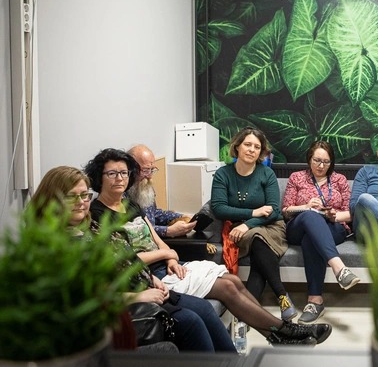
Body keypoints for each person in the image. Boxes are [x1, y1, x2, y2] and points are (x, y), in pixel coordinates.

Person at [84, 148, 330, 346]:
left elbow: (153, 236)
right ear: (98, 177)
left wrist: (171, 257)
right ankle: (284, 331)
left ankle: (278, 334)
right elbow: (126, 259)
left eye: (124, 173)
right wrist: (167, 252)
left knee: (233, 281)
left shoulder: (130, 204)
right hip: (149, 275)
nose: (120, 178)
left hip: (167, 266)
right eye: (112, 173)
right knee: (228, 287)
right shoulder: (97, 215)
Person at [30, 165, 234, 352]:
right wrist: (139, 296)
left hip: (144, 285)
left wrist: (151, 277)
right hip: (120, 307)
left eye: (84, 195)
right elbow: (85, 298)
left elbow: (128, 257)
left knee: (205, 308)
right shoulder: (55, 244)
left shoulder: (92, 226)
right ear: (52, 199)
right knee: (190, 322)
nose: (81, 202)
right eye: (71, 197)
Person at [210, 127, 295, 320]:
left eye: (257, 147)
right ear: (237, 147)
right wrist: (252, 214)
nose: (252, 150)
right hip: (239, 229)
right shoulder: (223, 174)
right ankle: (282, 295)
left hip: (271, 226)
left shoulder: (267, 174)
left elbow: (274, 211)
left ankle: (246, 314)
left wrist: (248, 224)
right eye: (247, 144)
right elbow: (219, 208)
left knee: (258, 241)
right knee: (257, 239)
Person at [281, 140, 359, 323]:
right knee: (310, 216)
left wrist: (334, 215)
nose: (321, 166)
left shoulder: (339, 180)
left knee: (311, 239)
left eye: (326, 162)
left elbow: (351, 214)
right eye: (317, 160)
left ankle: (315, 302)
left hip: (333, 227)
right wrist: (306, 206)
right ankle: (340, 269)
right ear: (309, 159)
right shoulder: (296, 177)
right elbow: (286, 211)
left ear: (331, 162)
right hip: (298, 225)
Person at [126, 144, 196, 238]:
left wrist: (182, 216)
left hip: (156, 241)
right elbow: (133, 230)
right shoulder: (120, 195)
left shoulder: (143, 186)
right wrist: (168, 231)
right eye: (146, 170)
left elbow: (155, 214)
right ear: (131, 169)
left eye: (152, 170)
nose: (150, 176)